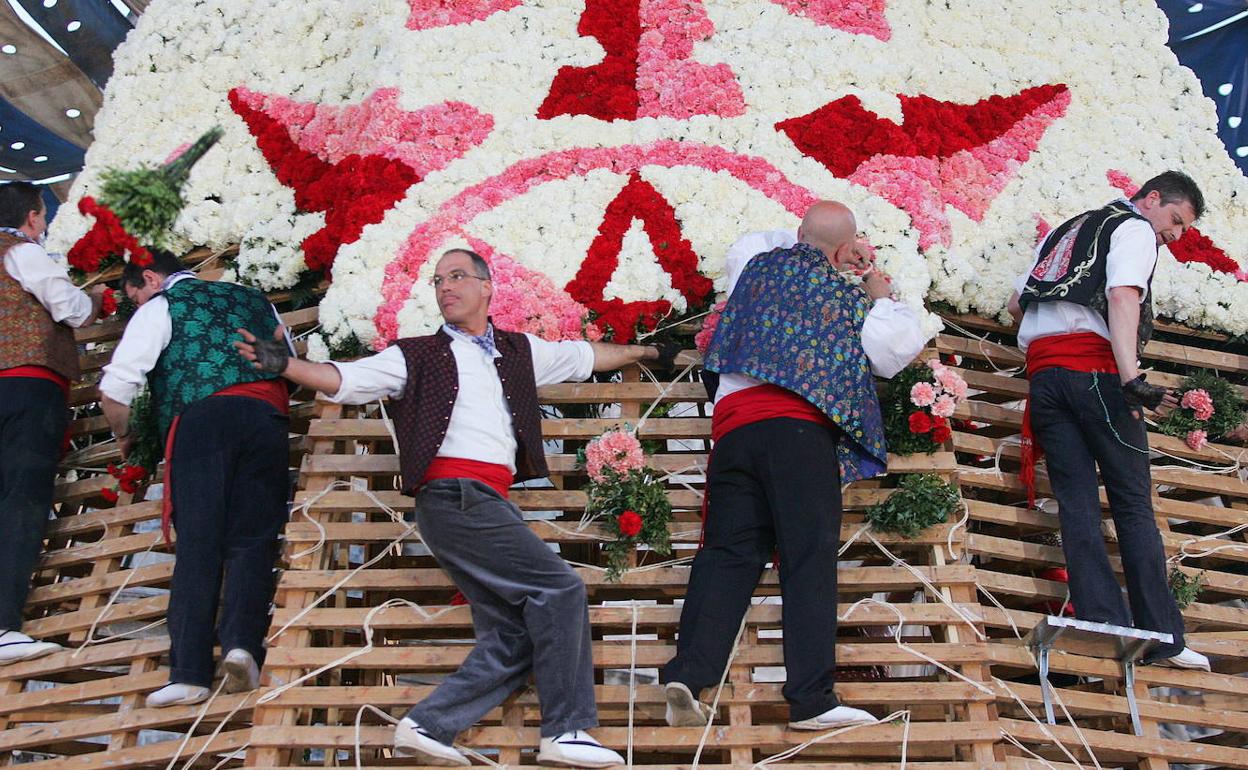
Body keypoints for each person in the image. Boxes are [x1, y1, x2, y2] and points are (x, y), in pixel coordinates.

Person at [236, 247, 676, 768]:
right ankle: (567, 729)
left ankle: (428, 725)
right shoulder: (415, 354)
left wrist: (648, 355)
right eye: (438, 280)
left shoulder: (518, 351)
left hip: (487, 502)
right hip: (454, 496)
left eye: (458, 276)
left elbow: (587, 356)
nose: (446, 286)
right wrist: (286, 365)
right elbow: (346, 380)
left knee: (514, 635)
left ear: (488, 287)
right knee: (559, 588)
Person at [661, 201, 929, 731]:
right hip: (797, 434)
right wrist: (878, 291)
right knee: (808, 557)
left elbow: (757, 241)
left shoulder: (755, 265)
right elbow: (894, 351)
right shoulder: (848, 298)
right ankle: (811, 698)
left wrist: (824, 240)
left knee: (727, 554)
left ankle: (689, 674)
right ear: (842, 249)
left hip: (736, 433)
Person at [1006, 170, 1210, 671]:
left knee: (1076, 501)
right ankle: (1163, 636)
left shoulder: (1069, 229)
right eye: (1176, 220)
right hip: (1096, 372)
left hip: (1046, 377)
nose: (1174, 234)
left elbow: (1016, 303)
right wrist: (1131, 377)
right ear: (1152, 199)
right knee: (1133, 503)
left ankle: (1102, 616)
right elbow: (1123, 297)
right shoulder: (1135, 228)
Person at [99, 250, 293, 706]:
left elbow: (116, 387)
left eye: (136, 294)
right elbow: (287, 359)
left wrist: (126, 434)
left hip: (203, 421)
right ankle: (243, 646)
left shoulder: (164, 305)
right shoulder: (254, 299)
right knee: (253, 540)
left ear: (149, 277)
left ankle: (188, 673)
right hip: (267, 419)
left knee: (200, 543)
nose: (139, 302)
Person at [0, 181, 106, 665]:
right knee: (21, 501)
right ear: (35, 216)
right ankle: (4, 626)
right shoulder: (20, 252)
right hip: (26, 386)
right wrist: (96, 303)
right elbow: (69, 306)